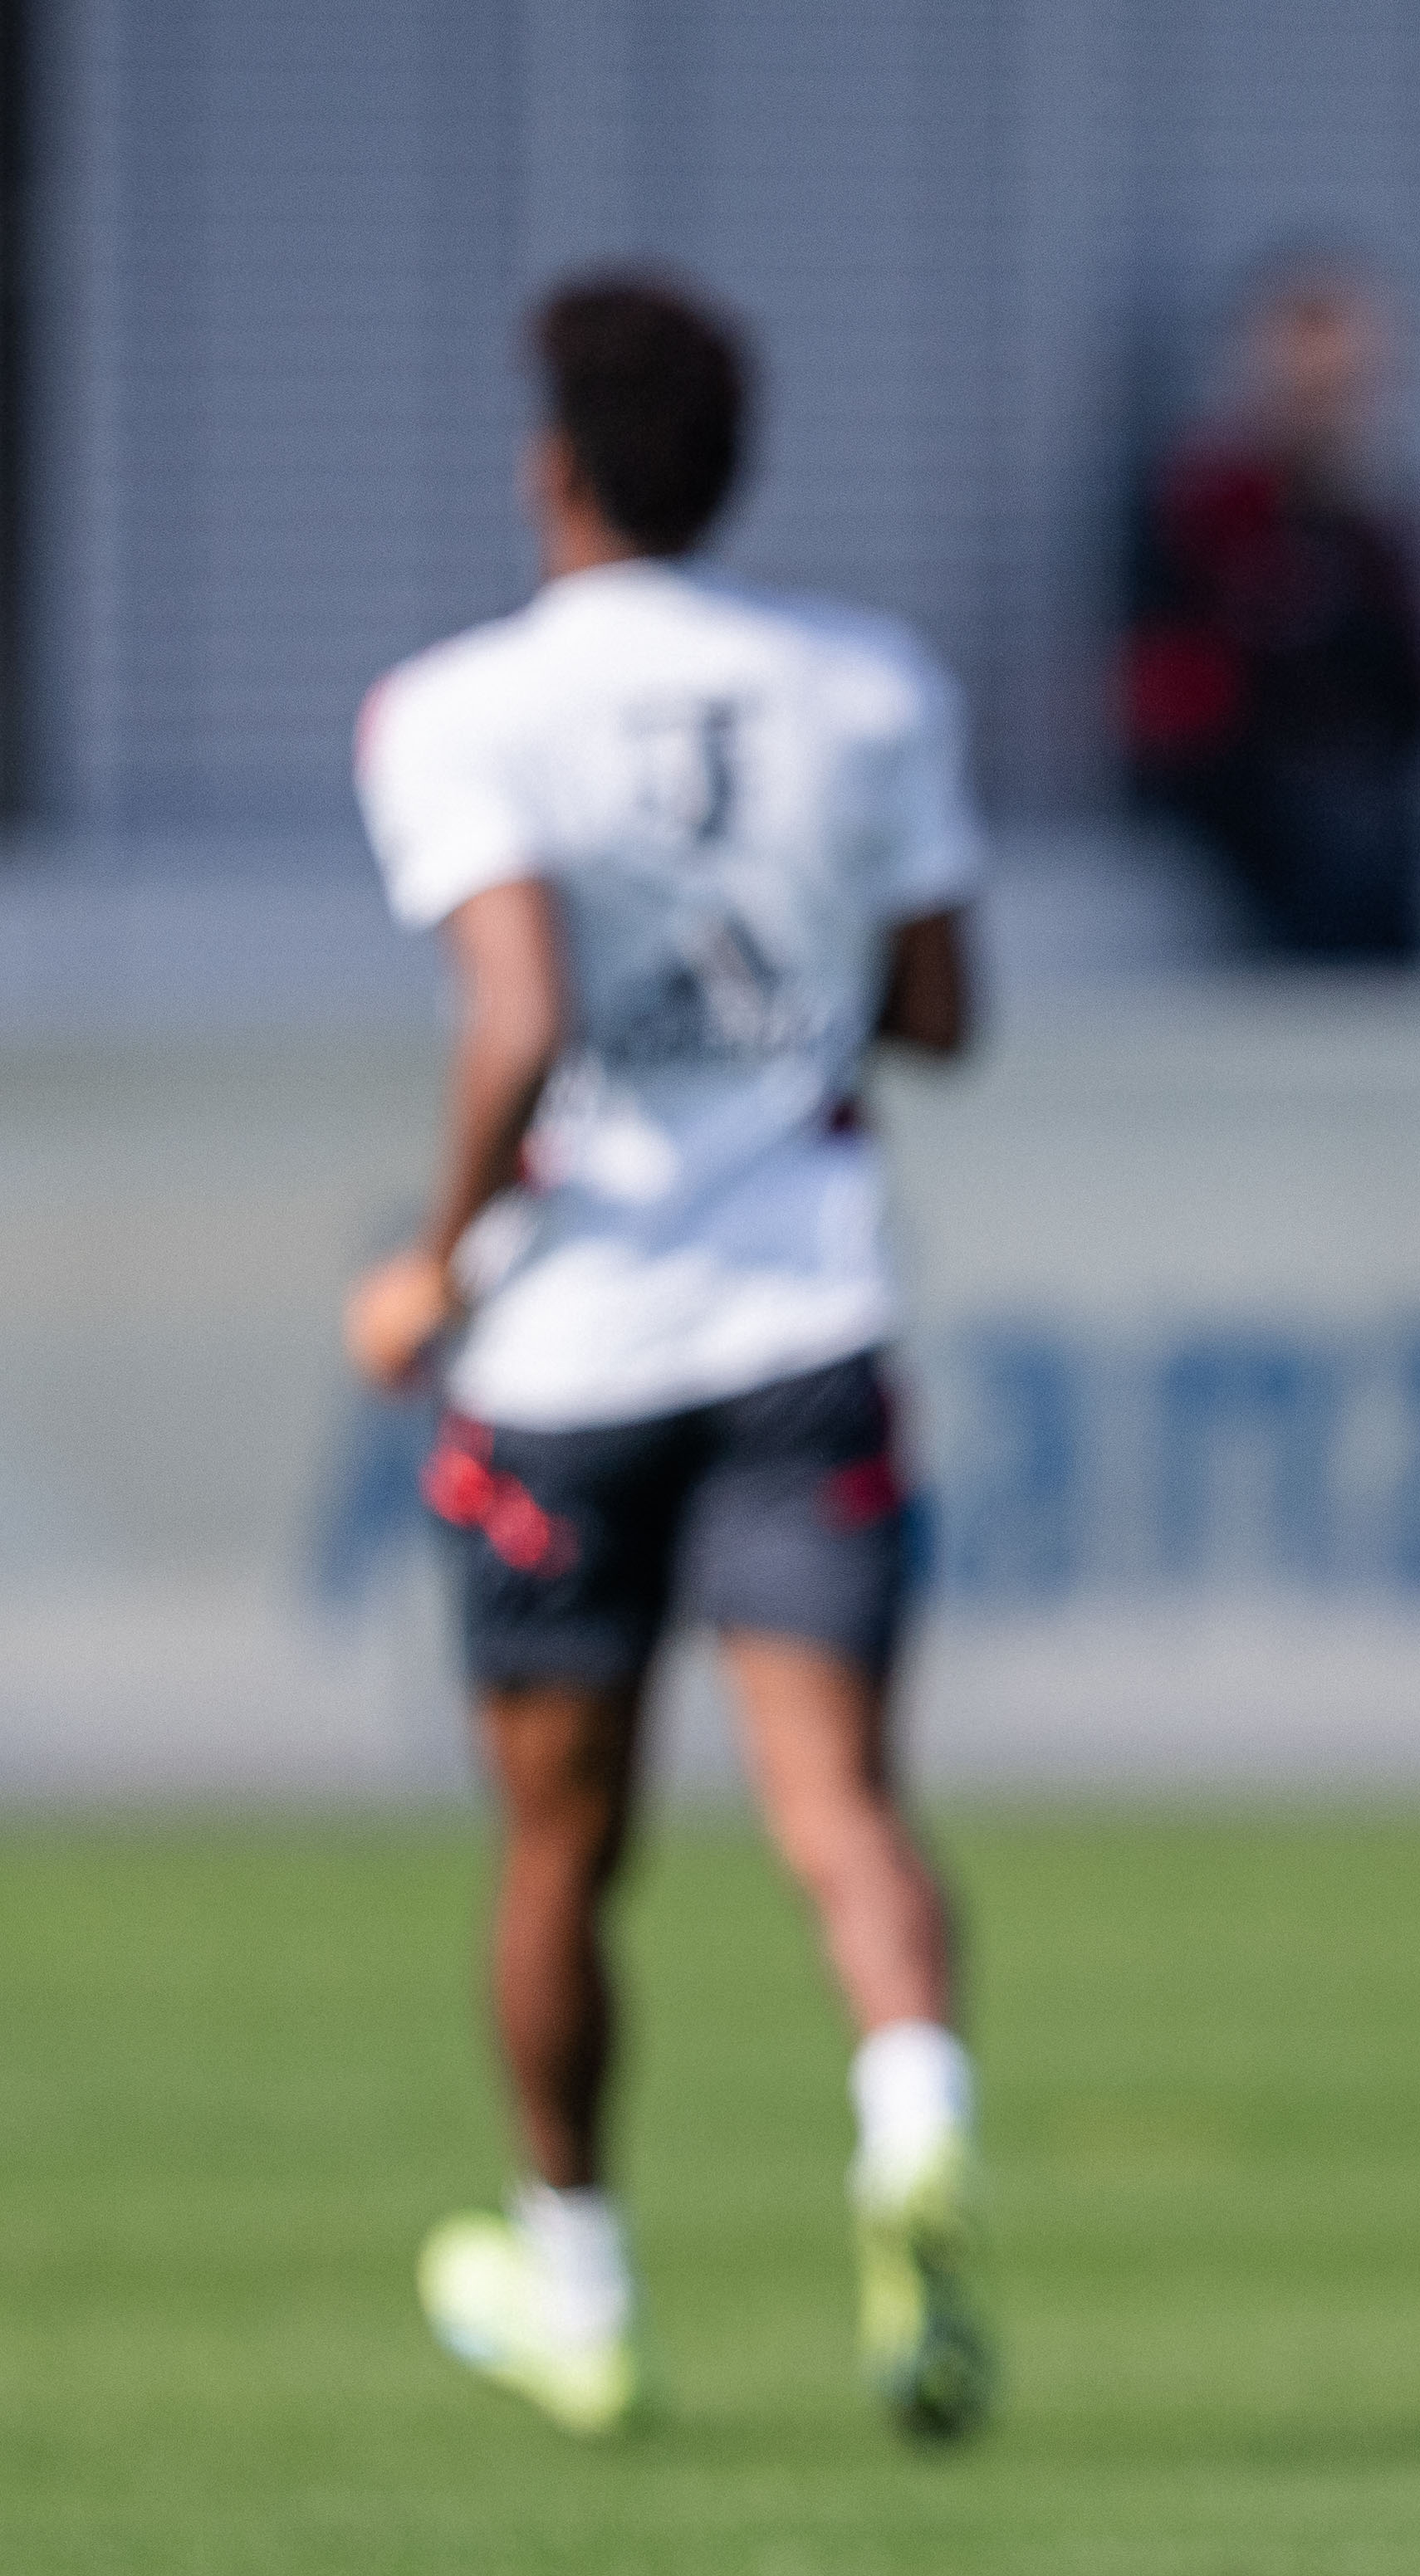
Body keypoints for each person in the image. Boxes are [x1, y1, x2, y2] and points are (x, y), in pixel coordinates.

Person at [345, 270, 997, 2446]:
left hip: (569, 1343)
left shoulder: (458, 706)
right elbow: (938, 1009)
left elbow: (516, 1016)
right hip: (807, 1311)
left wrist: (429, 1263)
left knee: (557, 1844)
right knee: (842, 1808)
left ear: (552, 469)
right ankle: (909, 2113)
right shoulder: (868, 690)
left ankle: (581, 2288)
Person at [1120, 252, 1420, 962]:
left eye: (1345, 388)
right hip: (1244, 832)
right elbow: (1169, 697)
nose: (1326, 410)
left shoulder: (1380, 532)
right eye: (1308, 388)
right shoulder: (1203, 513)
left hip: (1366, 835)